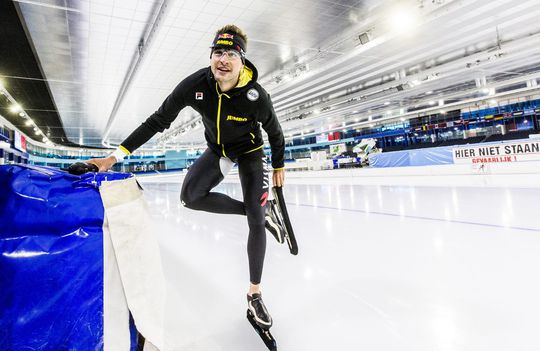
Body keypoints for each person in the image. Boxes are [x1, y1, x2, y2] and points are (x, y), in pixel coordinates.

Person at [88, 24, 286, 330]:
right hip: (218, 150)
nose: (223, 59)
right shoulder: (196, 85)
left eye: (231, 53)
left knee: (255, 224)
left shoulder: (256, 96)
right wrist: (114, 157)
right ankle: (261, 211)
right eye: (218, 52)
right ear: (211, 56)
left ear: (242, 61)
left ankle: (254, 293)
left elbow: (275, 132)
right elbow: (157, 120)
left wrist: (278, 166)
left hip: (249, 152)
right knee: (190, 198)